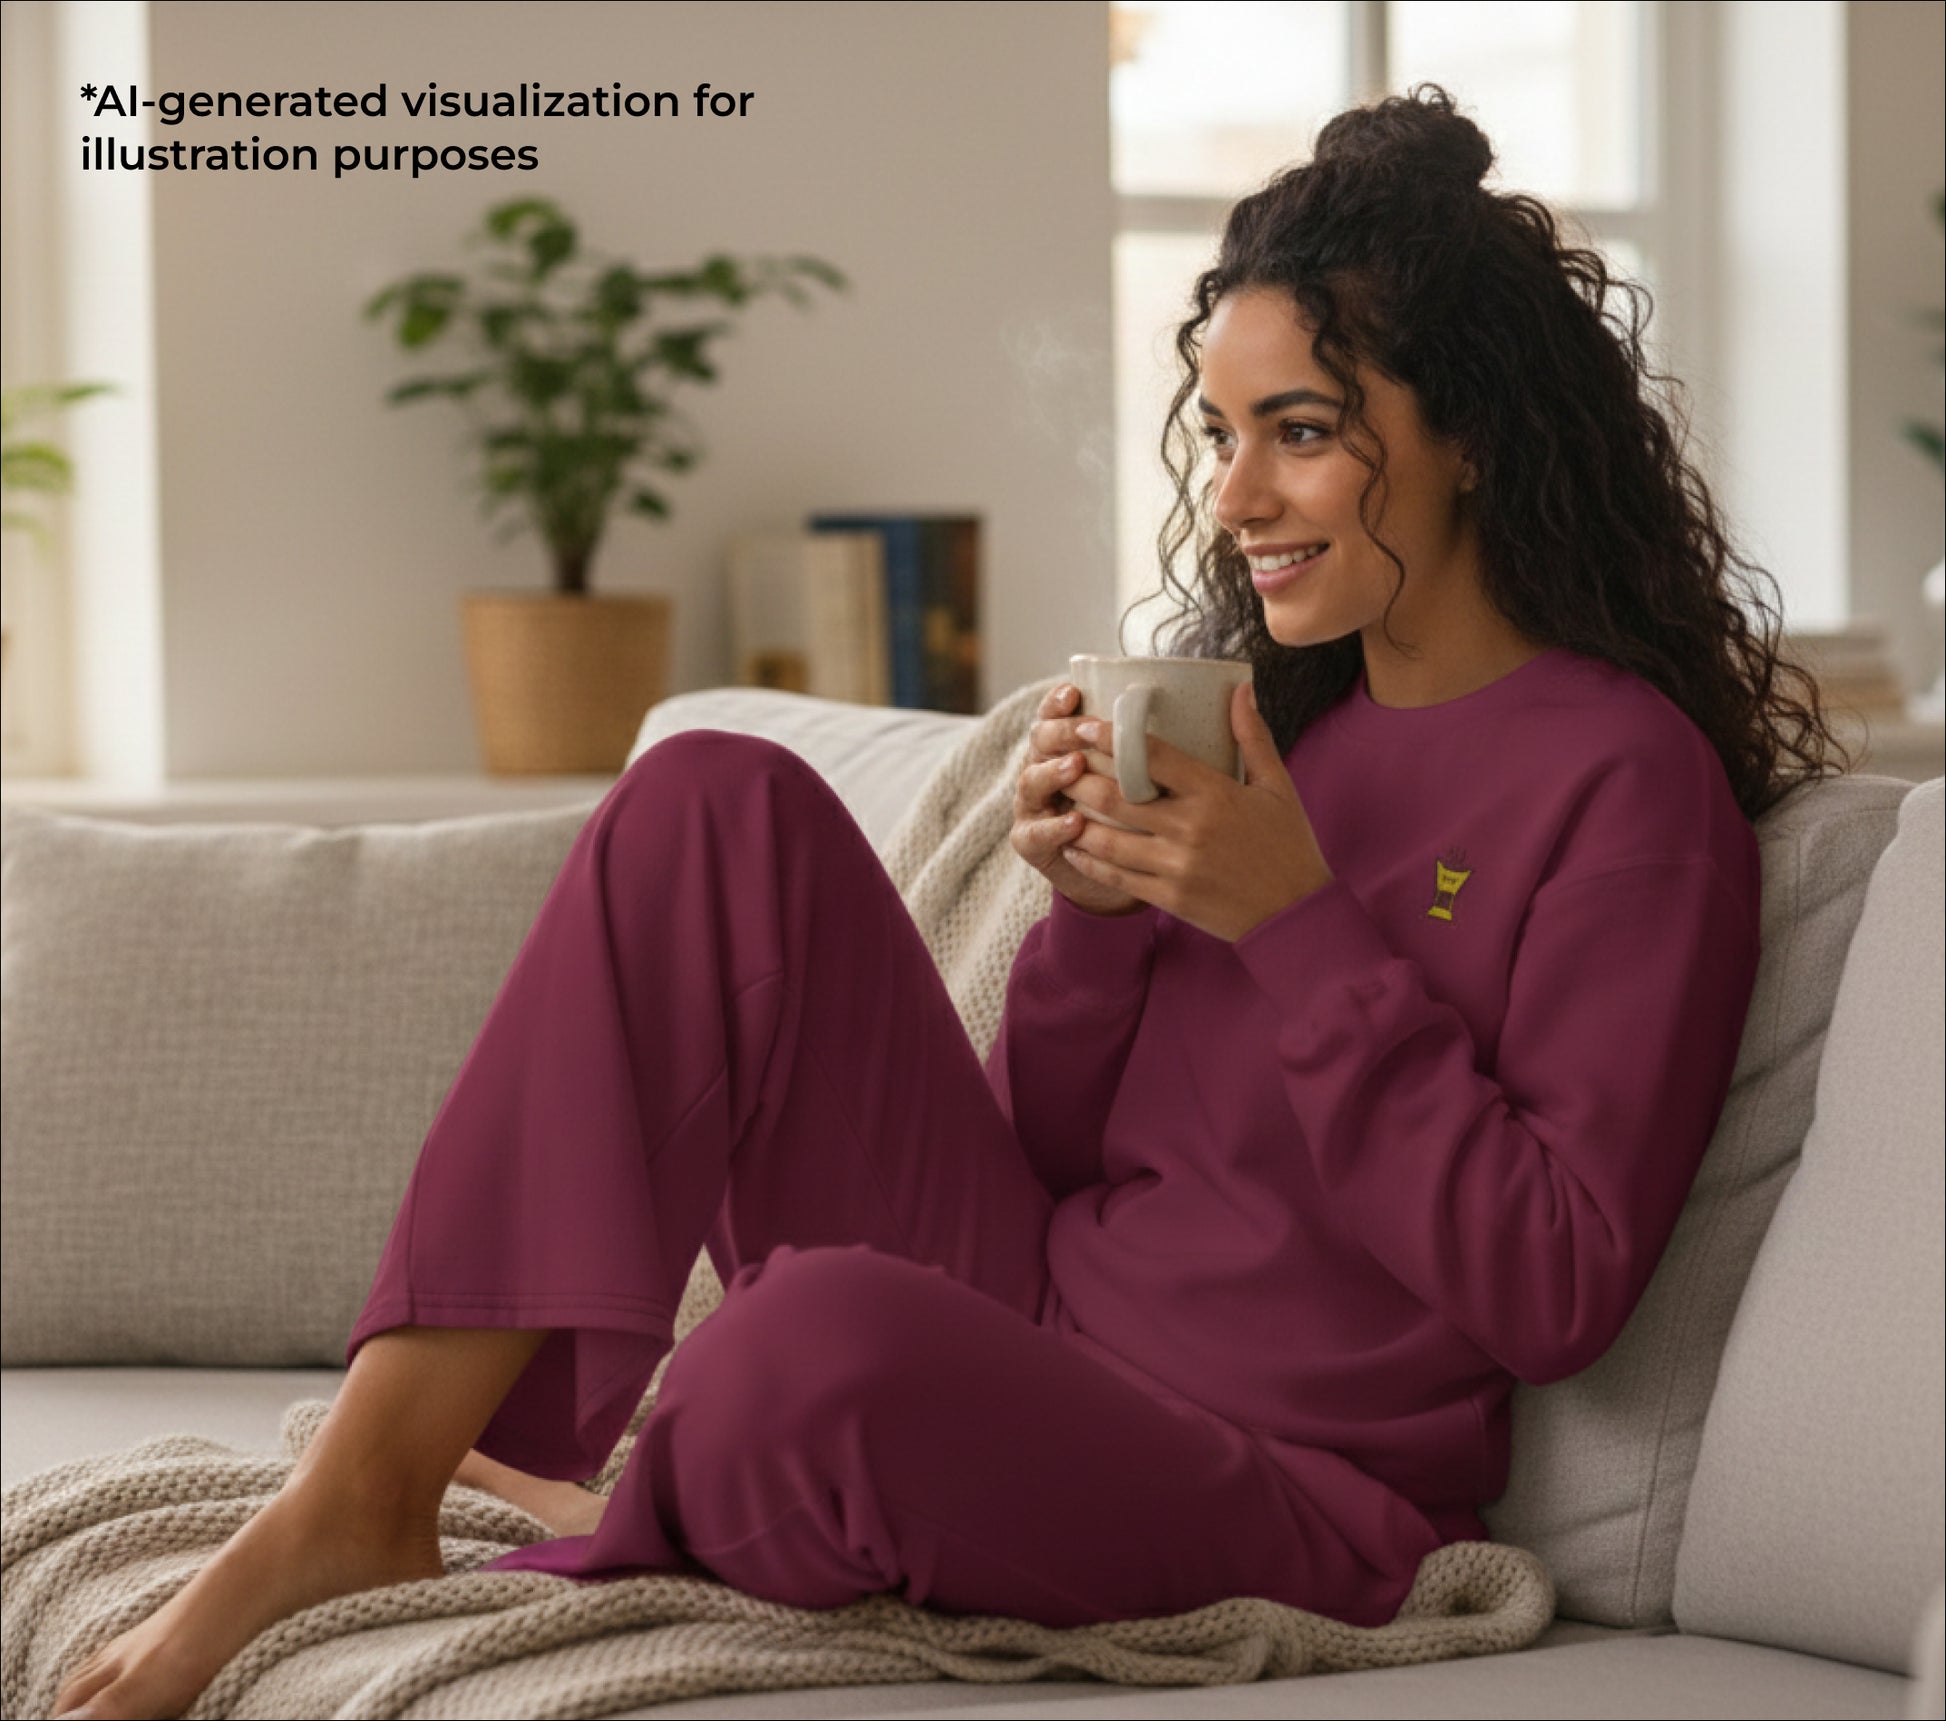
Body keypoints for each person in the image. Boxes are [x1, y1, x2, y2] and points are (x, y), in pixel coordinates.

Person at [52, 83, 1852, 1721]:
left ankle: (625, 1467)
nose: (1235, 497)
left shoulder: (1625, 787)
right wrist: (1094, 914)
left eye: (1299, 432)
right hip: (1029, 1318)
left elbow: (1551, 1288)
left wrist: (1292, 925)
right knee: (706, 804)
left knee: (798, 1347)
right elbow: (1060, 1158)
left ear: (1466, 433)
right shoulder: (1280, 724)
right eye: (1219, 433)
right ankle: (360, 1496)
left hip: (1285, 1483)